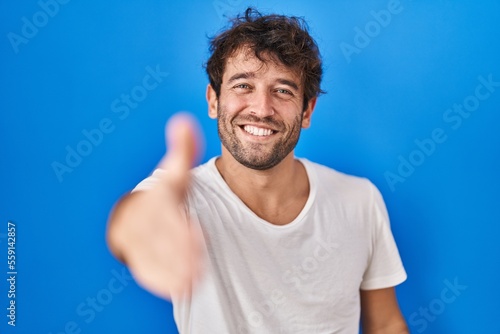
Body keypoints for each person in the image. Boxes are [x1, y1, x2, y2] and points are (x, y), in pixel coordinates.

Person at [106, 7, 409, 333]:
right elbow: (134, 222)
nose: (262, 109)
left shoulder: (360, 199)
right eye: (242, 86)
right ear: (213, 101)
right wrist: (137, 228)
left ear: (307, 111)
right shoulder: (180, 201)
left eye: (282, 91)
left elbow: (386, 324)